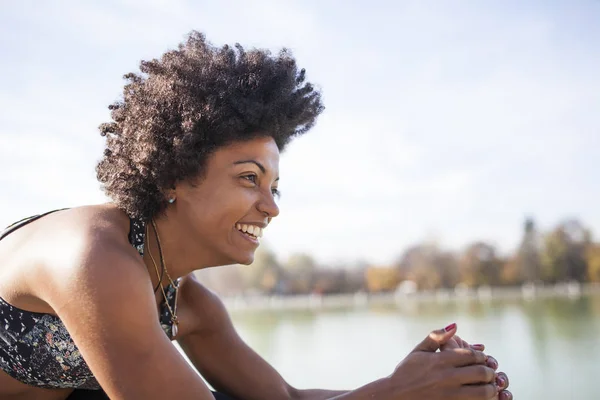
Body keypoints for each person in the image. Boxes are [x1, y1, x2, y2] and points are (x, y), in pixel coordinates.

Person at [0, 31, 512, 400]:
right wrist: (394, 396)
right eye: (249, 178)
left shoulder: (190, 303)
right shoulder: (93, 259)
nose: (271, 206)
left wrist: (422, 385)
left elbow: (283, 398)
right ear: (171, 175)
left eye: (275, 186)